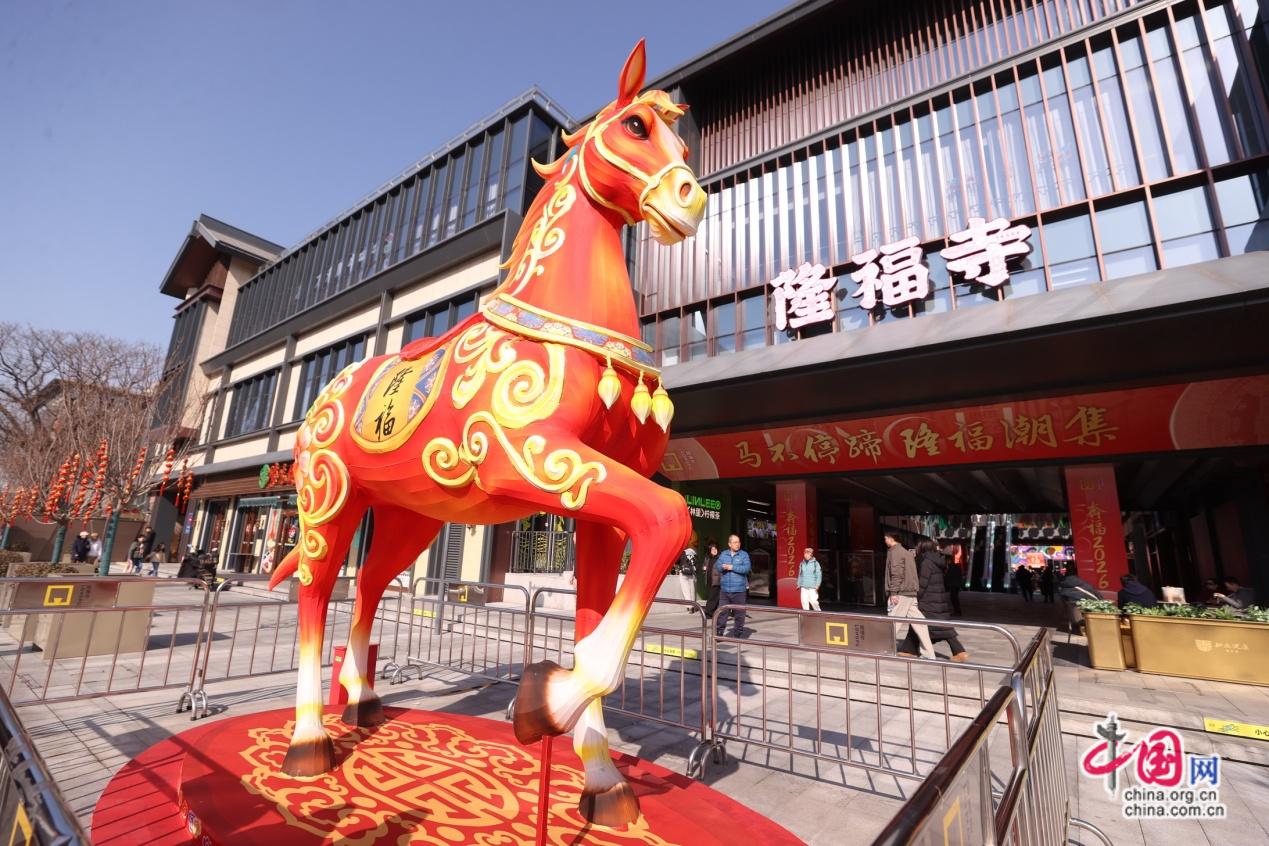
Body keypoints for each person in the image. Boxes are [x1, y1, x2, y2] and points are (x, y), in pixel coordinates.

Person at [900, 541, 968, 661]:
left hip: (929, 600)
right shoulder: (936, 560)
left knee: (938, 627)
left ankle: (960, 652)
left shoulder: (926, 562)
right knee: (925, 625)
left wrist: (915, 596)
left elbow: (923, 583)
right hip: (937, 599)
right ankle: (908, 650)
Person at [884, 532, 934, 659]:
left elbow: (896, 573)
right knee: (920, 624)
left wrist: (893, 593)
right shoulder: (906, 552)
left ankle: (885, 649)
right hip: (911, 593)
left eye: (885, 538)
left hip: (901, 593)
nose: (884, 541)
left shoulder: (895, 552)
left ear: (891, 538)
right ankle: (928, 653)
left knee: (893, 623)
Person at [714, 534, 751, 638]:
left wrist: (732, 567)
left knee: (739, 614)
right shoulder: (723, 554)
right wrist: (722, 567)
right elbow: (718, 566)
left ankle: (738, 633)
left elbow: (746, 569)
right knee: (722, 612)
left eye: (738, 542)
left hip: (739, 590)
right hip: (725, 590)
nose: (737, 544)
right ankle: (719, 632)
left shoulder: (744, 555)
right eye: (735, 542)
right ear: (729, 544)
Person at [796, 547, 822, 611]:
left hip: (812, 586)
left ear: (811, 555)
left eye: (808, 553)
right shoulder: (802, 563)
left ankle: (819, 613)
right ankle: (806, 615)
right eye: (805, 553)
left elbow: (819, 575)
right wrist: (798, 584)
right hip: (804, 586)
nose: (806, 555)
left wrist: (817, 585)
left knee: (813, 601)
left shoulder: (816, 564)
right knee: (804, 602)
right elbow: (800, 574)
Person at [676, 545, 699, 610]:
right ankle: (694, 605)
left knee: (686, 590)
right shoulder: (694, 554)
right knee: (693, 590)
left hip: (683, 573)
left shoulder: (682, 553)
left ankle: (689, 606)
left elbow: (677, 561)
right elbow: (697, 564)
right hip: (692, 573)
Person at [703, 542, 722, 618]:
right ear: (709, 550)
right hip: (709, 580)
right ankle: (715, 613)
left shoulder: (720, 558)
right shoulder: (707, 558)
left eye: (715, 549)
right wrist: (704, 569)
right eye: (712, 549)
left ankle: (708, 613)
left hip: (717, 581)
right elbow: (704, 566)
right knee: (714, 597)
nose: (714, 550)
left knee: (712, 598)